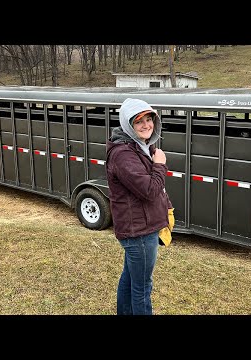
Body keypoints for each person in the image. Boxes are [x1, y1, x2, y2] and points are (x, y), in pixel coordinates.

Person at [106, 97, 173, 315]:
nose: (146, 125)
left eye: (149, 119)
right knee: (142, 287)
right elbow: (149, 190)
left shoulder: (139, 147)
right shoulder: (123, 154)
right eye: (138, 121)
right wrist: (160, 165)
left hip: (141, 227)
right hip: (140, 232)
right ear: (128, 125)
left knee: (130, 278)